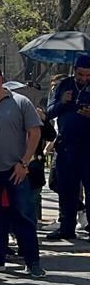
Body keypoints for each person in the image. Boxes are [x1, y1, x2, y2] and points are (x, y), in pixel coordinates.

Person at [0, 65, 46, 277]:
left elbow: (34, 132)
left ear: (0, 80)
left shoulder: (20, 102)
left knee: (23, 215)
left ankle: (32, 261)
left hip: (15, 169)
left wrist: (24, 162)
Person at [45, 54, 90, 240]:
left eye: (88, 76)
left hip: (88, 147)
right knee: (66, 189)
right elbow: (49, 112)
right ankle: (66, 226)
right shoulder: (65, 85)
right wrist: (62, 102)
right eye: (80, 75)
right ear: (74, 71)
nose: (84, 79)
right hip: (67, 145)